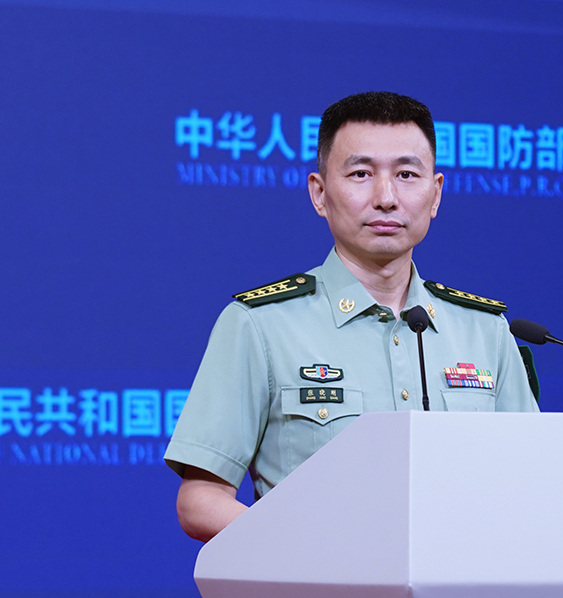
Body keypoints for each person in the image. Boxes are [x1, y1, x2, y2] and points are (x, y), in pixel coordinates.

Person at [164, 91, 539, 543]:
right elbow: (201, 500)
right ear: (320, 193)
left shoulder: (484, 330)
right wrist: (311, 551)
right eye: (361, 174)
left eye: (406, 174)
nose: (386, 197)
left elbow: (532, 483)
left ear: (436, 194)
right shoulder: (260, 325)